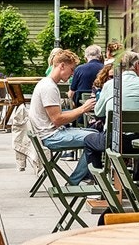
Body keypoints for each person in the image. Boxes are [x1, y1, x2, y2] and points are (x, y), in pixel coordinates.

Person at [27, 48, 103, 185]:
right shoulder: (49, 87)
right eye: (72, 69)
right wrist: (82, 109)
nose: (73, 73)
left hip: (48, 133)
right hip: (50, 137)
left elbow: (58, 116)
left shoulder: (47, 83)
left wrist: (80, 109)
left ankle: (86, 179)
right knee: (96, 139)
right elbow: (57, 120)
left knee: (95, 134)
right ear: (62, 66)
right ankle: (75, 182)